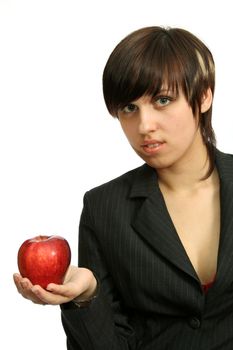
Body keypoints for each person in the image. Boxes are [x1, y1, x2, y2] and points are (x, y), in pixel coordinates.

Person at [13, 26, 233, 349]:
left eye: (162, 100)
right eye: (130, 108)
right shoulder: (104, 208)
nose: (145, 126)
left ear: (203, 96)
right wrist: (87, 298)